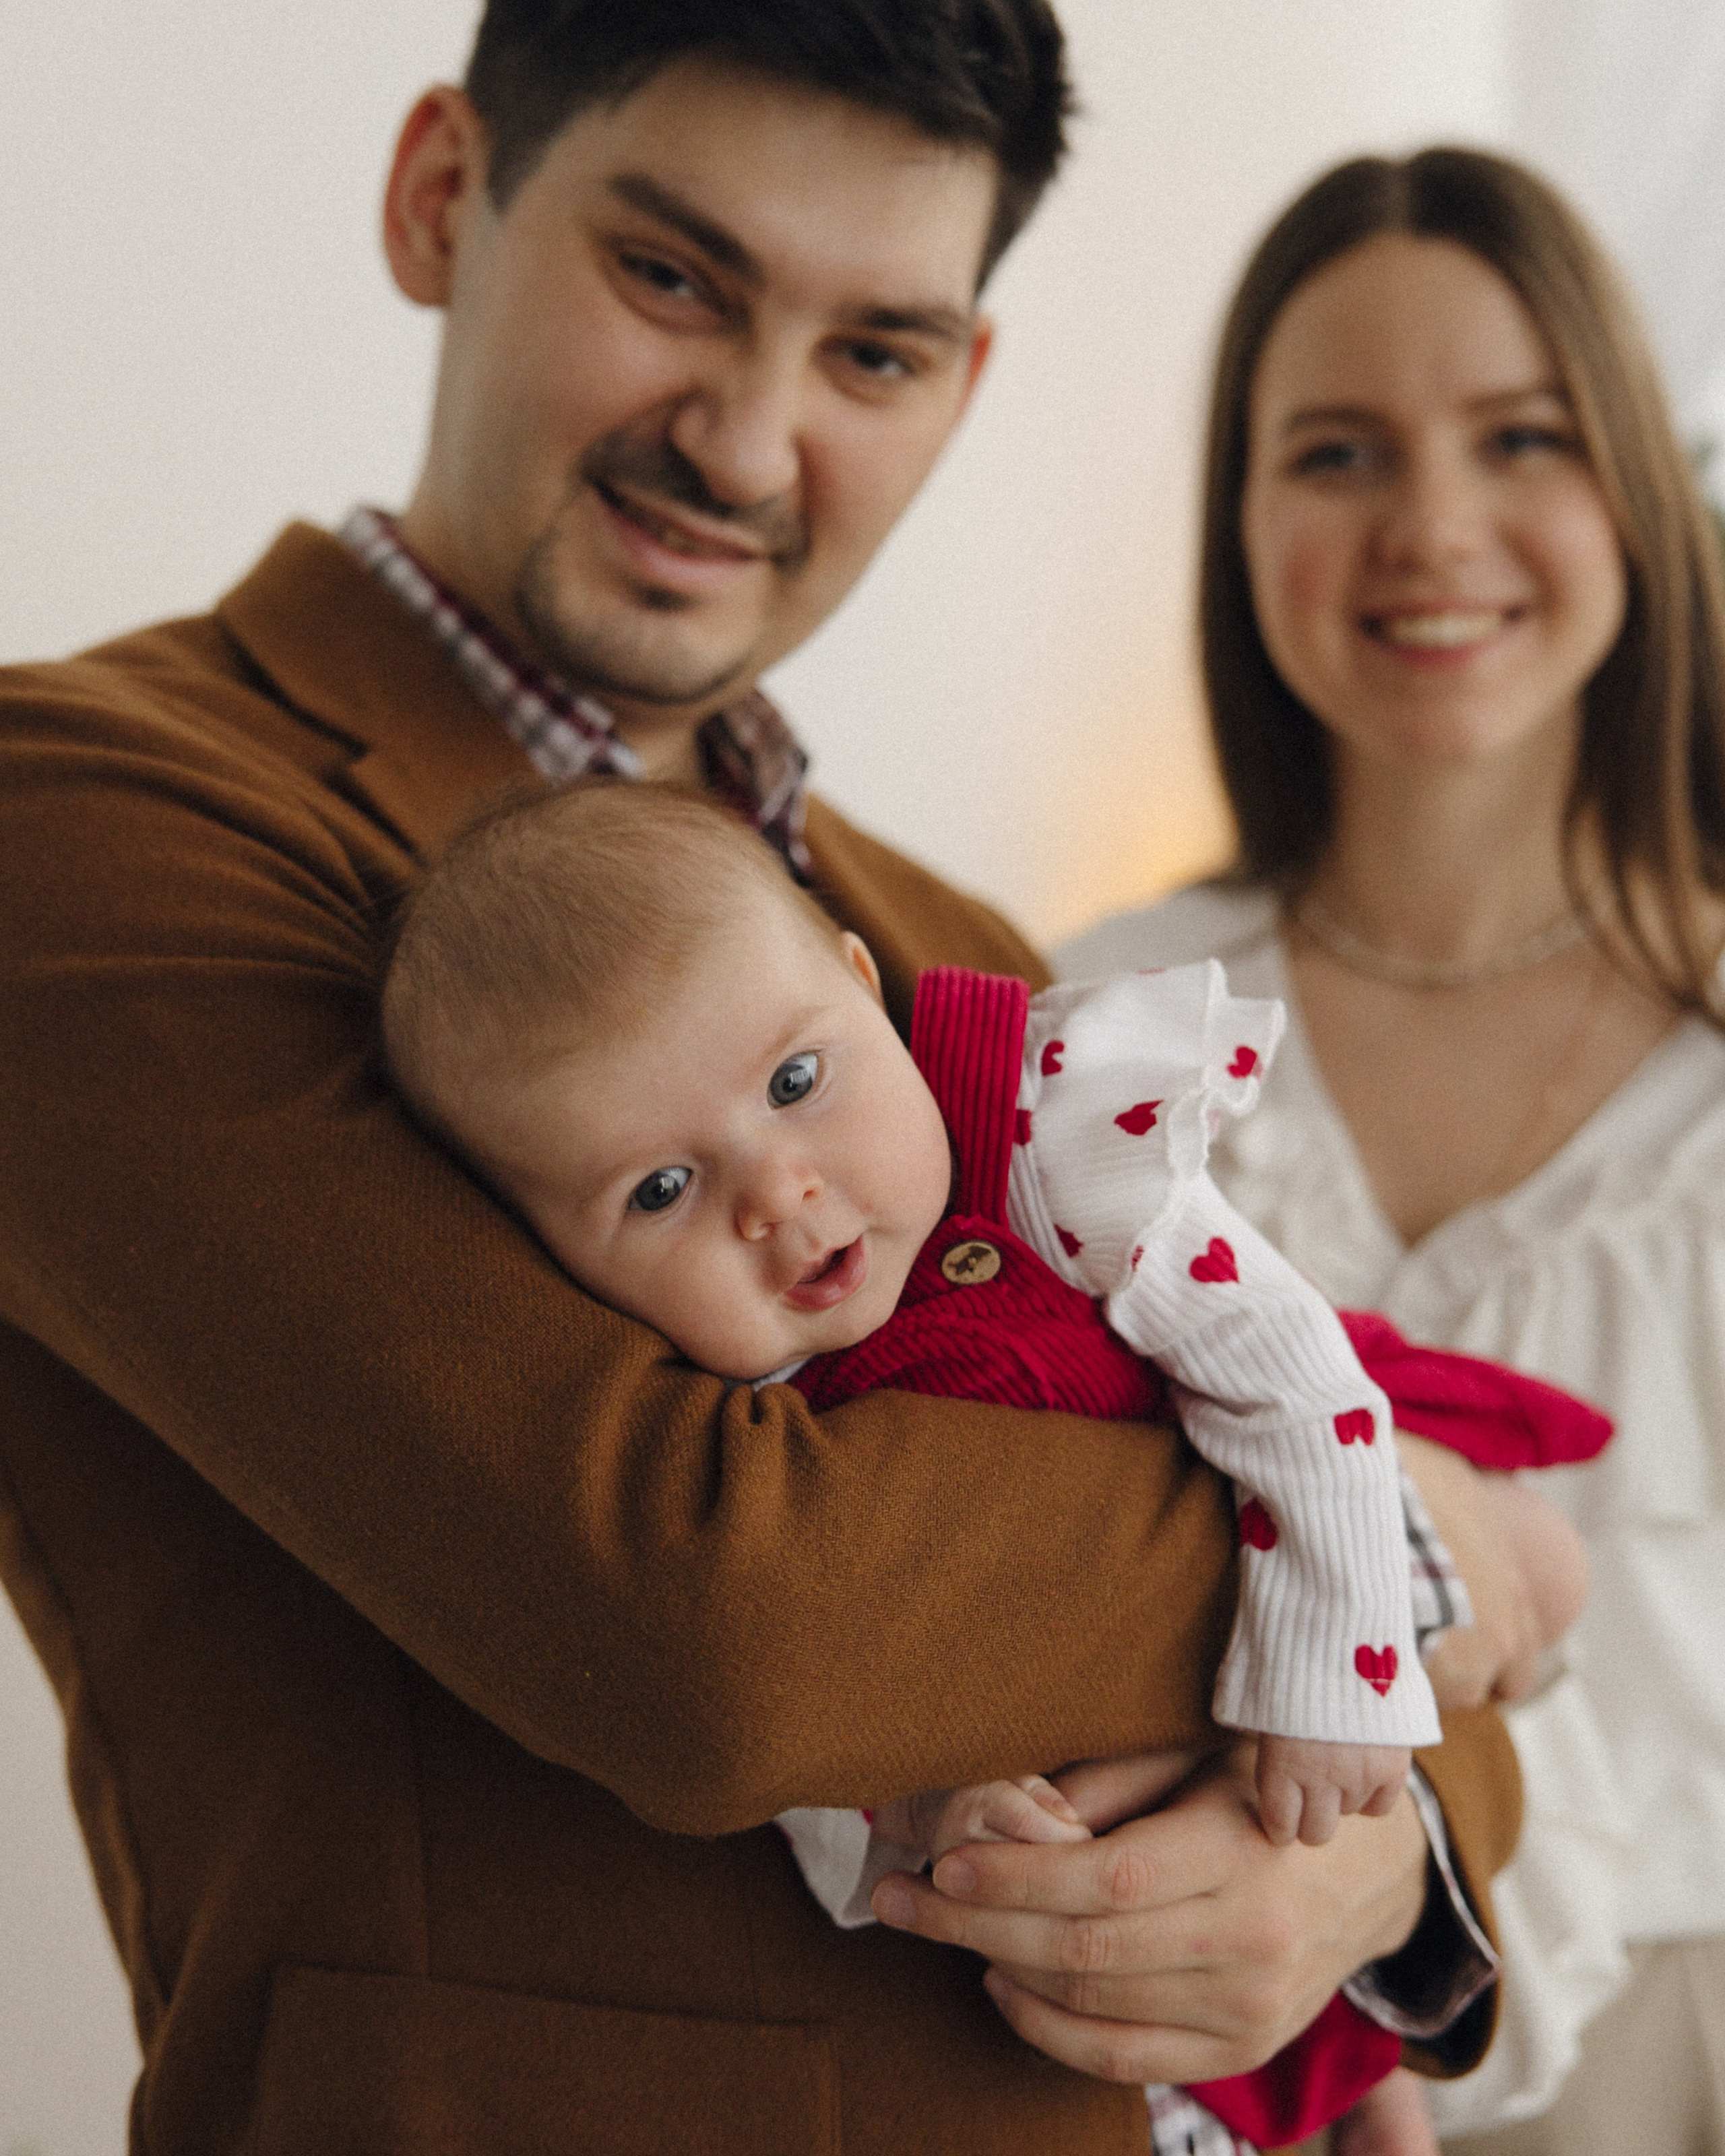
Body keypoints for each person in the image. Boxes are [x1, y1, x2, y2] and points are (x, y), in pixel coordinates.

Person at [0, 9, 1520, 2149]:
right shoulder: (88, 820)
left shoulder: (953, 946)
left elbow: (1467, 1763)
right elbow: (722, 1631)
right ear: (447, 198)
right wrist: (1403, 1533)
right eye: (673, 280)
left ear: (963, 386)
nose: (746, 438)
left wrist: (1371, 1855)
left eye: (877, 352)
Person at [380, 776, 1602, 2156]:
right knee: (1113, 1967)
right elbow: (785, 1720)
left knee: (1537, 1567)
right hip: (1130, 1839)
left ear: (862, 985)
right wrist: (922, 1808)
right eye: (658, 1192)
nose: (779, 1197)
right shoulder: (712, 1425)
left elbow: (1289, 1377)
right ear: (557, 1263)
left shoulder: (1056, 1152)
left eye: (797, 1082)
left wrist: (1344, 1676)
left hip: (1314, 1469)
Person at [1063, 146, 1725, 2155]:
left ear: (1631, 477)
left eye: (1519, 437)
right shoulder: (1104, 1023)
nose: (1432, 528)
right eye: (1337, 452)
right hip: (1186, 2059)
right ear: (1241, 520)